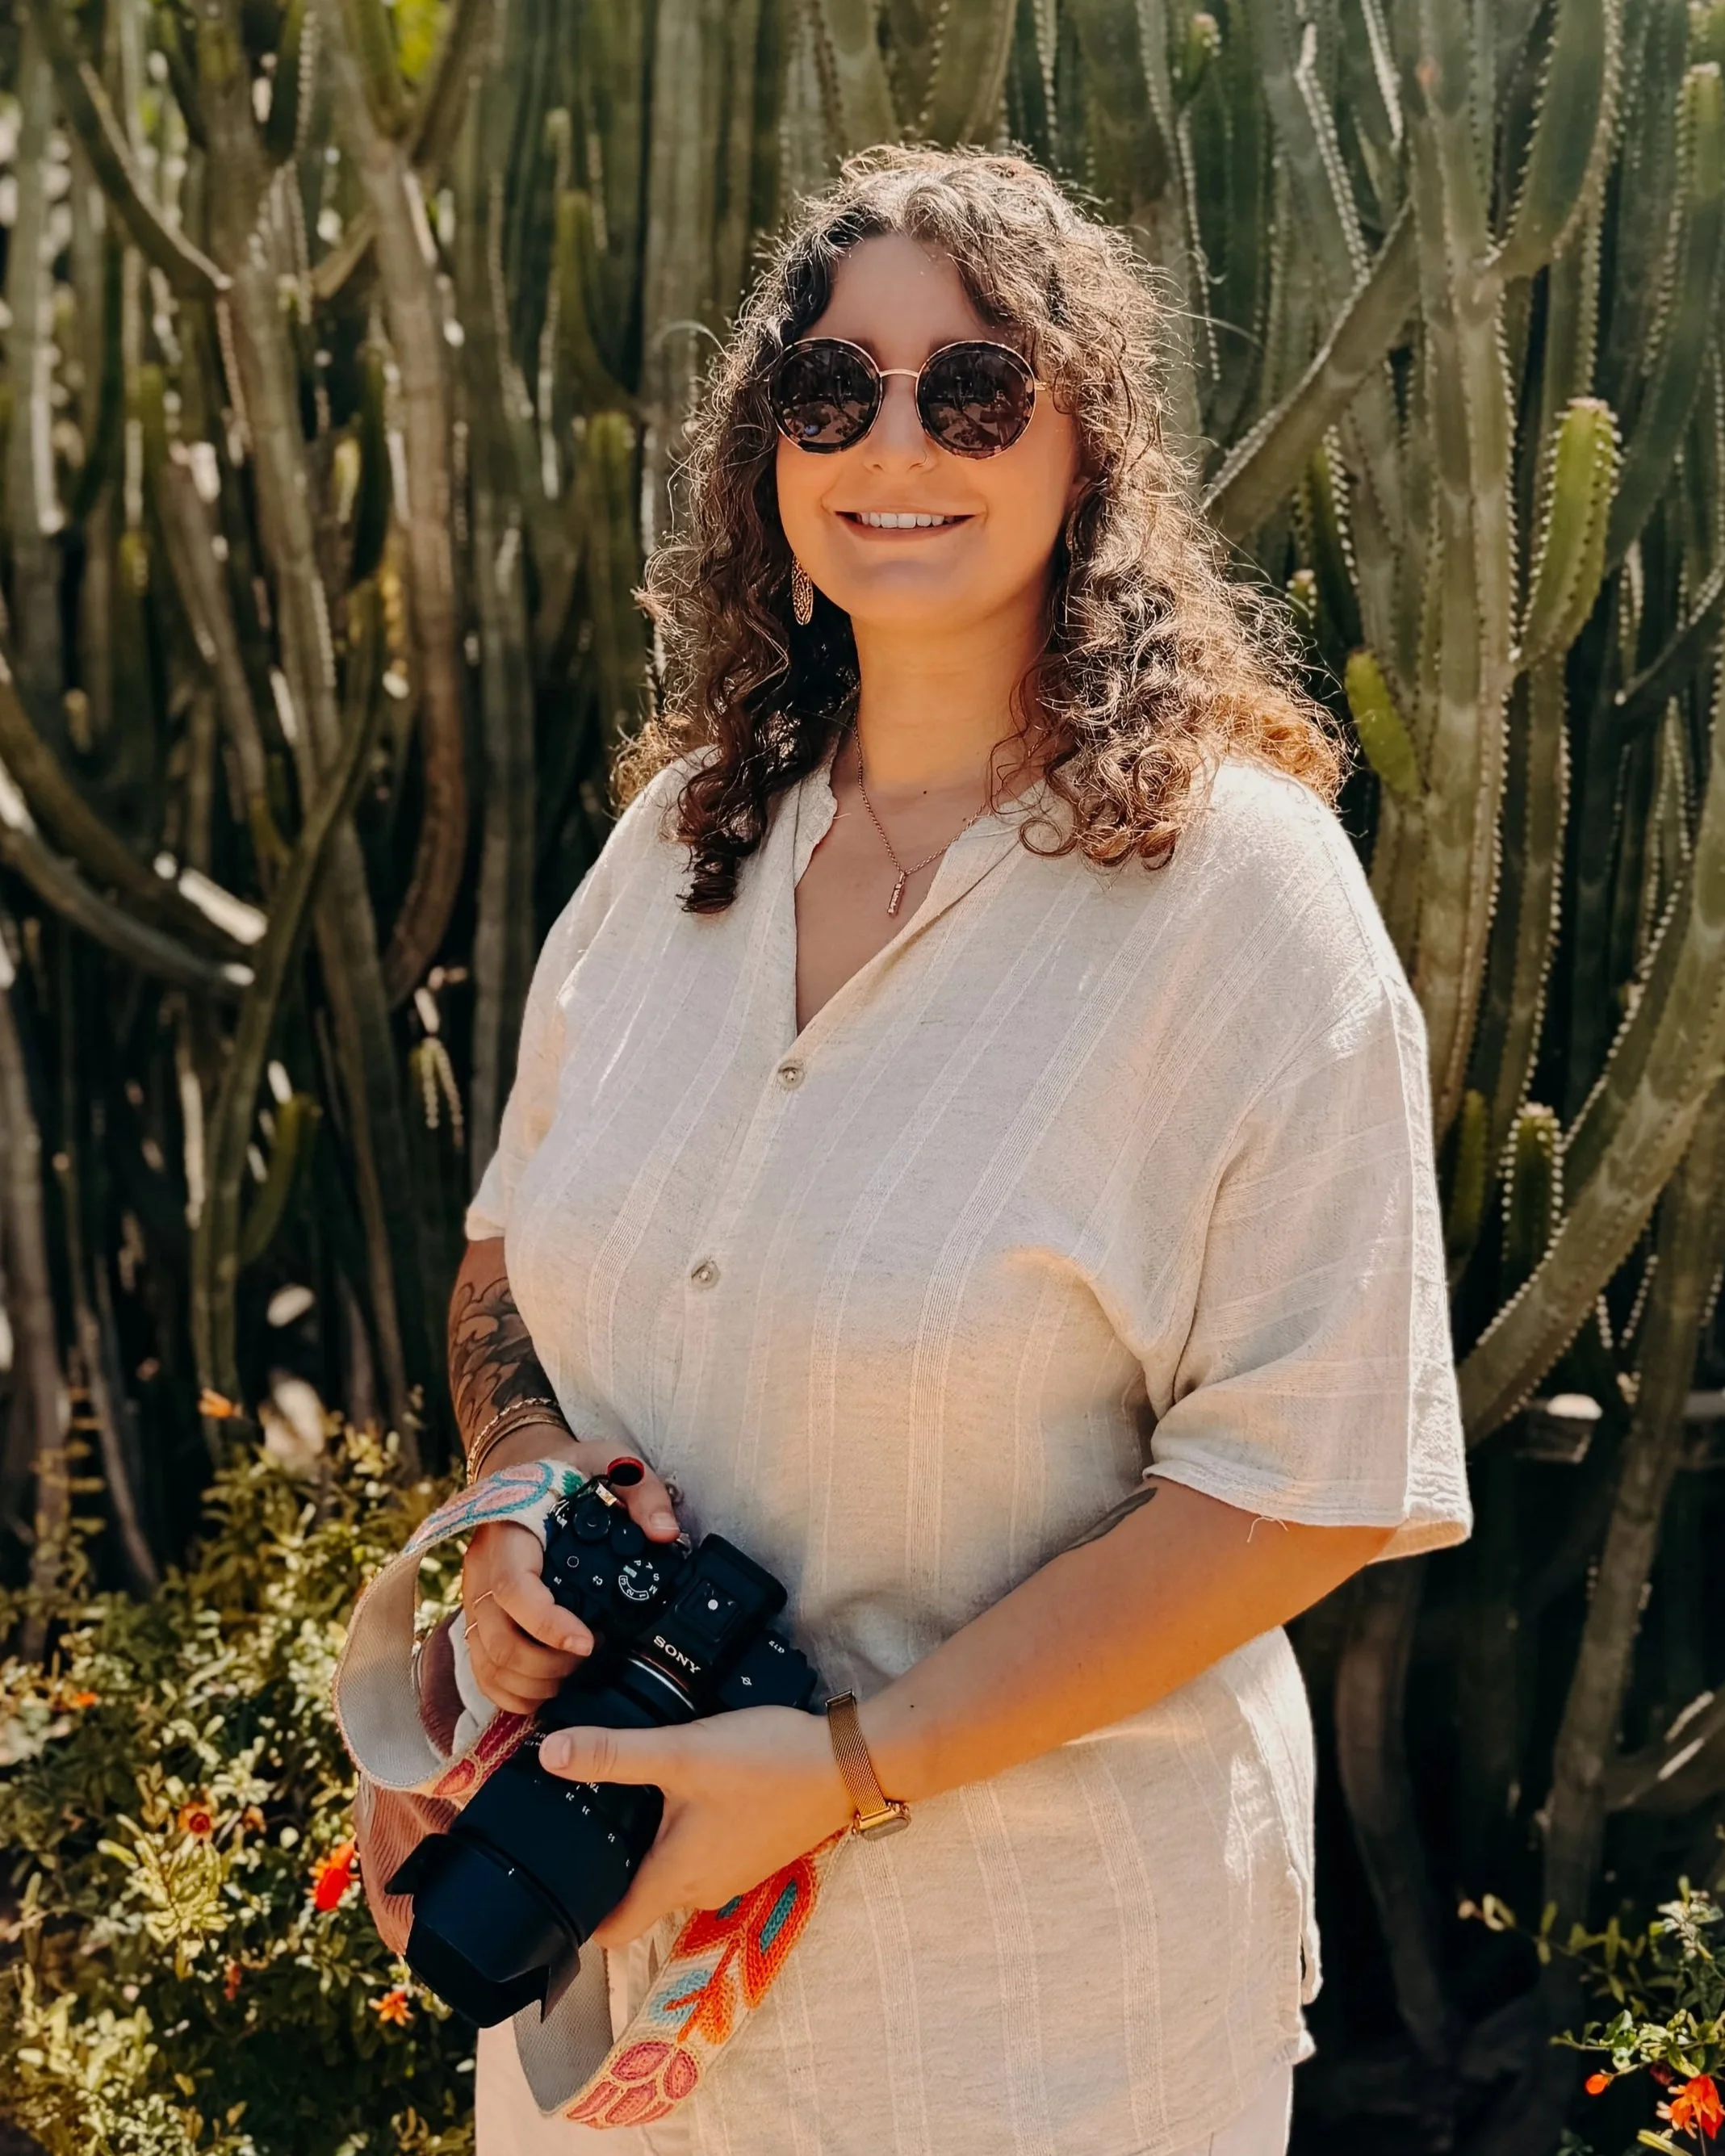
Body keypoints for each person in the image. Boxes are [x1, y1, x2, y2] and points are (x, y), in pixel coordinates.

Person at [450, 145, 1470, 2156]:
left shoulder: (1243, 900)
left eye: (977, 389)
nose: (894, 443)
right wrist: (517, 1492)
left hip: (1031, 2036)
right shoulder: (674, 850)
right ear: (770, 444)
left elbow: (1307, 1484)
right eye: (832, 389)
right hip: (608, 2012)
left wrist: (848, 1766)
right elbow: (507, 1261)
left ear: (1087, 442)